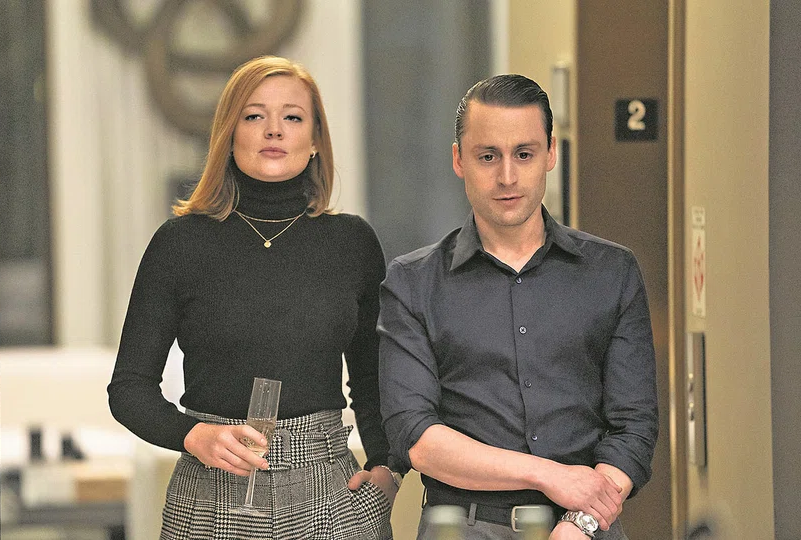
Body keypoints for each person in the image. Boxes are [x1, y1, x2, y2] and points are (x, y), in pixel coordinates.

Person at [108, 55, 401, 540]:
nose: (274, 130)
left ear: (315, 140)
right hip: (211, 490)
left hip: (330, 491)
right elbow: (128, 389)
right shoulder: (180, 243)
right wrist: (193, 435)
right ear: (229, 134)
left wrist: (387, 468)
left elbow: (373, 382)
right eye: (254, 115)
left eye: (293, 117)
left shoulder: (352, 243)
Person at [378, 74, 658, 540]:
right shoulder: (413, 282)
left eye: (523, 154)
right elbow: (416, 437)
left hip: (586, 528)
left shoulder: (612, 272)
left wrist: (581, 523)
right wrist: (549, 475)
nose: (507, 177)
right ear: (459, 160)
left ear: (550, 154)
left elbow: (634, 427)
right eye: (488, 156)